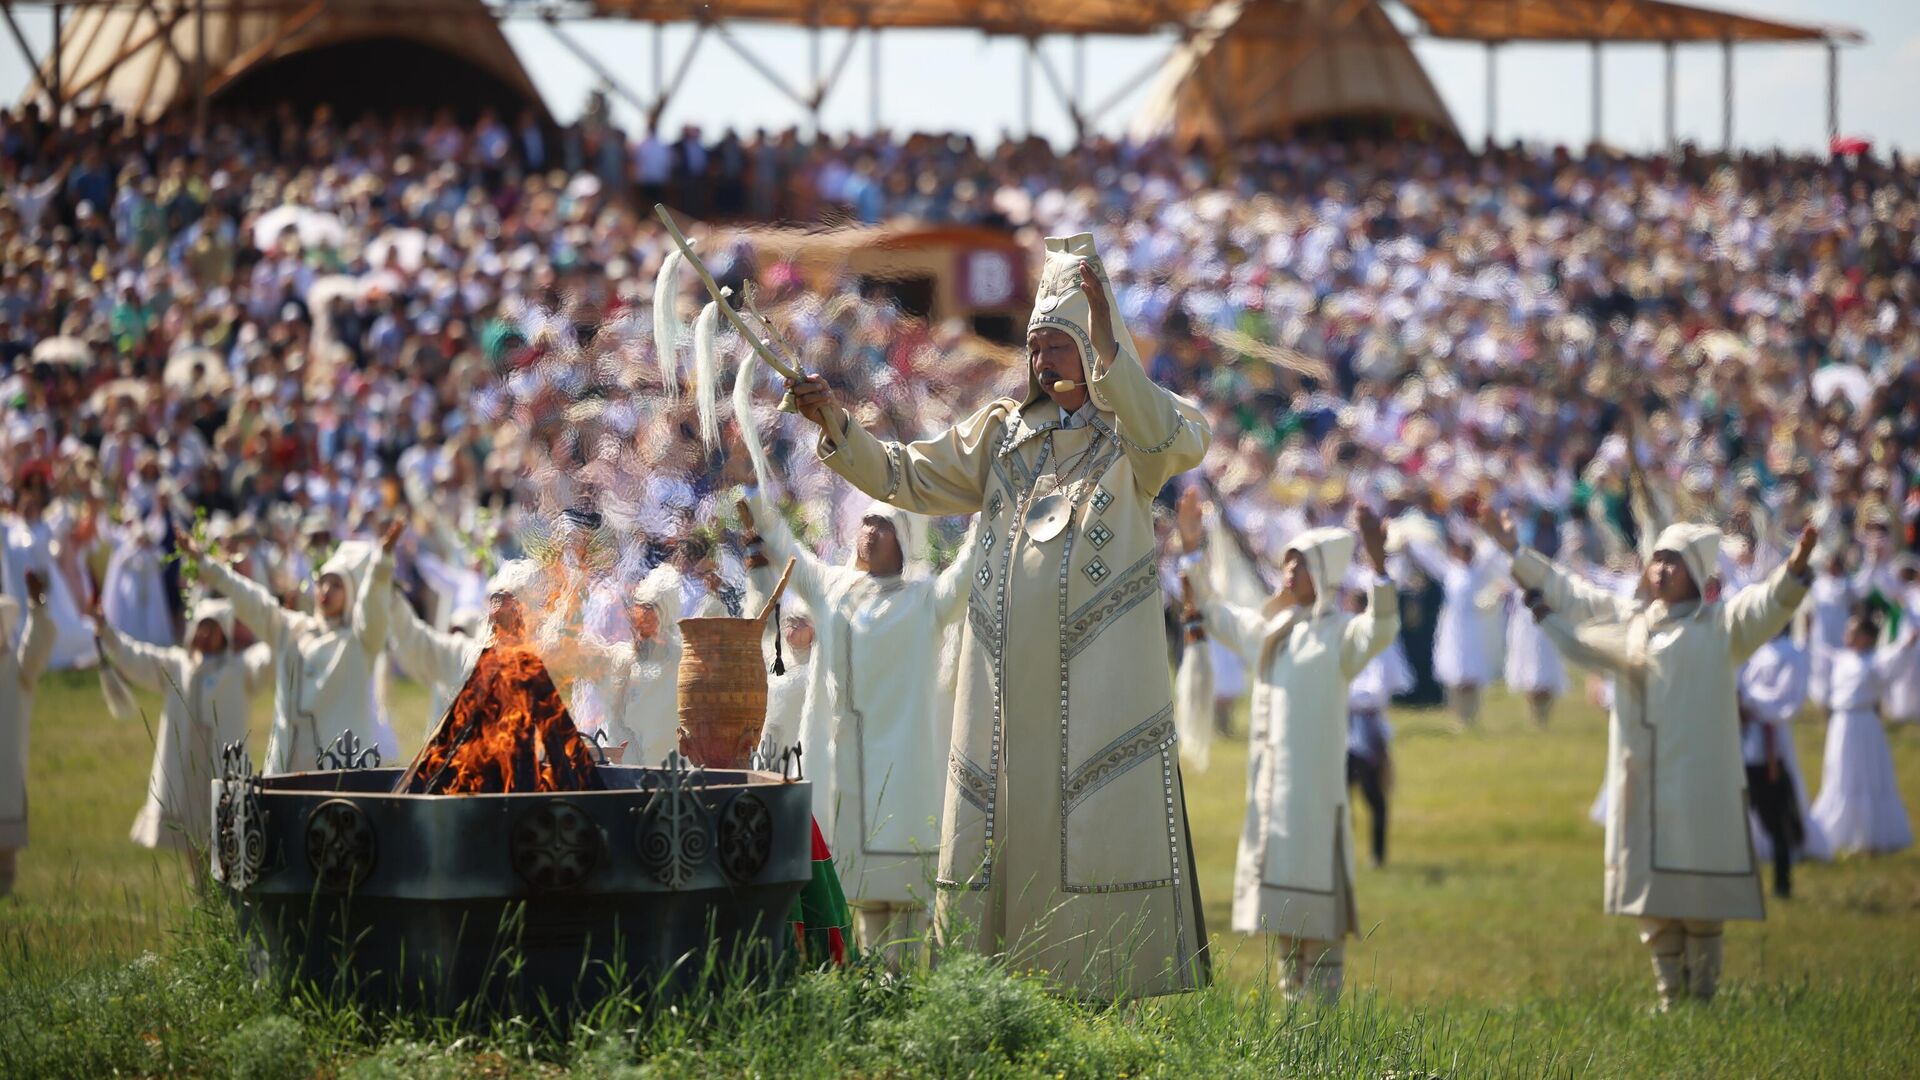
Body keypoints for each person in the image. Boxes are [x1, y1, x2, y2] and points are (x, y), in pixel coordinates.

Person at [785, 235, 1212, 998]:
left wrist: (1115, 345)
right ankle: (1001, 997)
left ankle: (1104, 991)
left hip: (1099, 692)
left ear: (1095, 347)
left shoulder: (1135, 439)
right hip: (1002, 695)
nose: (1044, 359)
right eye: (1037, 344)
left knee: (1092, 831)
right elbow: (903, 475)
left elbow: (1172, 440)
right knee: (1003, 843)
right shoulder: (1002, 435)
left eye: (1063, 343)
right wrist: (836, 425)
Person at [1492, 509, 1816, 1011]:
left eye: (1674, 562)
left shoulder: (1721, 628)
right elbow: (1575, 595)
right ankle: (1670, 997)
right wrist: (1516, 554)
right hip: (1640, 778)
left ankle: (1703, 997)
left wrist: (1793, 572)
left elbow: (1765, 605)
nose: (1661, 571)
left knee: (1701, 898)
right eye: (1657, 560)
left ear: (1697, 571)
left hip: (1698, 782)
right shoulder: (1631, 621)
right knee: (1654, 898)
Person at [737, 492, 977, 967]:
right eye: (865, 522)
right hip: (846, 760)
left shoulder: (925, 600)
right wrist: (759, 506)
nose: (870, 532)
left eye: (883, 525)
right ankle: (871, 983)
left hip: (904, 762)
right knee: (861, 890)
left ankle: (902, 981)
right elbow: (791, 553)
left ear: (904, 540)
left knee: (906, 891)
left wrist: (987, 515)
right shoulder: (832, 588)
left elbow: (967, 575)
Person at [1178, 494, 1397, 1005]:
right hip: (1270, 800)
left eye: (1301, 562)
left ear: (1323, 574)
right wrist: (1191, 549)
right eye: (1289, 560)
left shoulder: (1339, 635)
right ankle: (1291, 1012)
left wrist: (1379, 565)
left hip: (1316, 800)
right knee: (1282, 914)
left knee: (1317, 912)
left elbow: (1381, 628)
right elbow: (1211, 611)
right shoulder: (1270, 630)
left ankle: (1321, 1020)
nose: (1289, 569)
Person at [182, 521, 403, 775]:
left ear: (351, 594)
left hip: (335, 774)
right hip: (285, 767)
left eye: (337, 585)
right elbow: (251, 601)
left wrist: (381, 564)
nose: (326, 590)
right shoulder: (291, 629)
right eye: (322, 582)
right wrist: (205, 563)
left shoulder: (359, 642)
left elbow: (373, 608)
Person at [97, 597, 272, 853]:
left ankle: (221, 889)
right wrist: (106, 632)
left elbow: (270, 656)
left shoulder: (239, 669)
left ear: (224, 634)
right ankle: (201, 889)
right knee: (191, 839)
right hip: (184, 766)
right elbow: (137, 657)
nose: (205, 634)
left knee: (223, 834)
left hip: (219, 764)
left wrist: (282, 624)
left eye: (213, 628)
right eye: (202, 626)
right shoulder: (177, 665)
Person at [535, 564, 686, 767]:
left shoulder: (683, 662)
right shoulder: (619, 659)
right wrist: (570, 602)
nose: (639, 620)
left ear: (665, 617)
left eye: (650, 612)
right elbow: (557, 651)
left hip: (672, 782)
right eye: (638, 610)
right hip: (623, 780)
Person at [384, 559, 540, 730]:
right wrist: (393, 598)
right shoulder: (467, 655)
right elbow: (418, 643)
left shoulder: (537, 670)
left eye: (516, 606)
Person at [1808, 611, 1914, 856]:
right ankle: (1839, 833)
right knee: (1840, 772)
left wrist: (1908, 641)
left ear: (1866, 637)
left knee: (1866, 775)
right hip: (1841, 724)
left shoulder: (1874, 661)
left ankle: (1869, 836)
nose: (1848, 634)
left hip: (1865, 725)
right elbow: (1815, 652)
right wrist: (1811, 627)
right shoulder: (1840, 658)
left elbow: (1896, 657)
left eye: (1853, 631)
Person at [1737, 626, 1822, 898]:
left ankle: (1782, 883)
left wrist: (1749, 702)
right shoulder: (1755, 649)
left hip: (1768, 750)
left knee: (1774, 815)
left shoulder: (1793, 653)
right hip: (1741, 744)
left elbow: (1786, 701)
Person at [1405, 527, 1505, 729]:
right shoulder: (1450, 570)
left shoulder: (1477, 570)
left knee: (1471, 672)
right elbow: (1429, 559)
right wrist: (1409, 544)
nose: (1466, 553)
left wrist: (1496, 529)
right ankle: (1459, 717)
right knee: (1454, 672)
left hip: (1472, 626)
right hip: (1453, 627)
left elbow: (1491, 550)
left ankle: (1472, 715)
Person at [1347, 588, 1414, 869]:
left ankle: (1377, 854)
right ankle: (1341, 852)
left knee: (1374, 794)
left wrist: (1353, 698)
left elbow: (1378, 689)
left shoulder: (1381, 644)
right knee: (1339, 796)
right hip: (1345, 727)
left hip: (1369, 727)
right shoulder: (1347, 639)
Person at [0, 571, 54, 896]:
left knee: (4, 853)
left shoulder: (16, 671)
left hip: (6, 776)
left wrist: (36, 605)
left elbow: (36, 646)